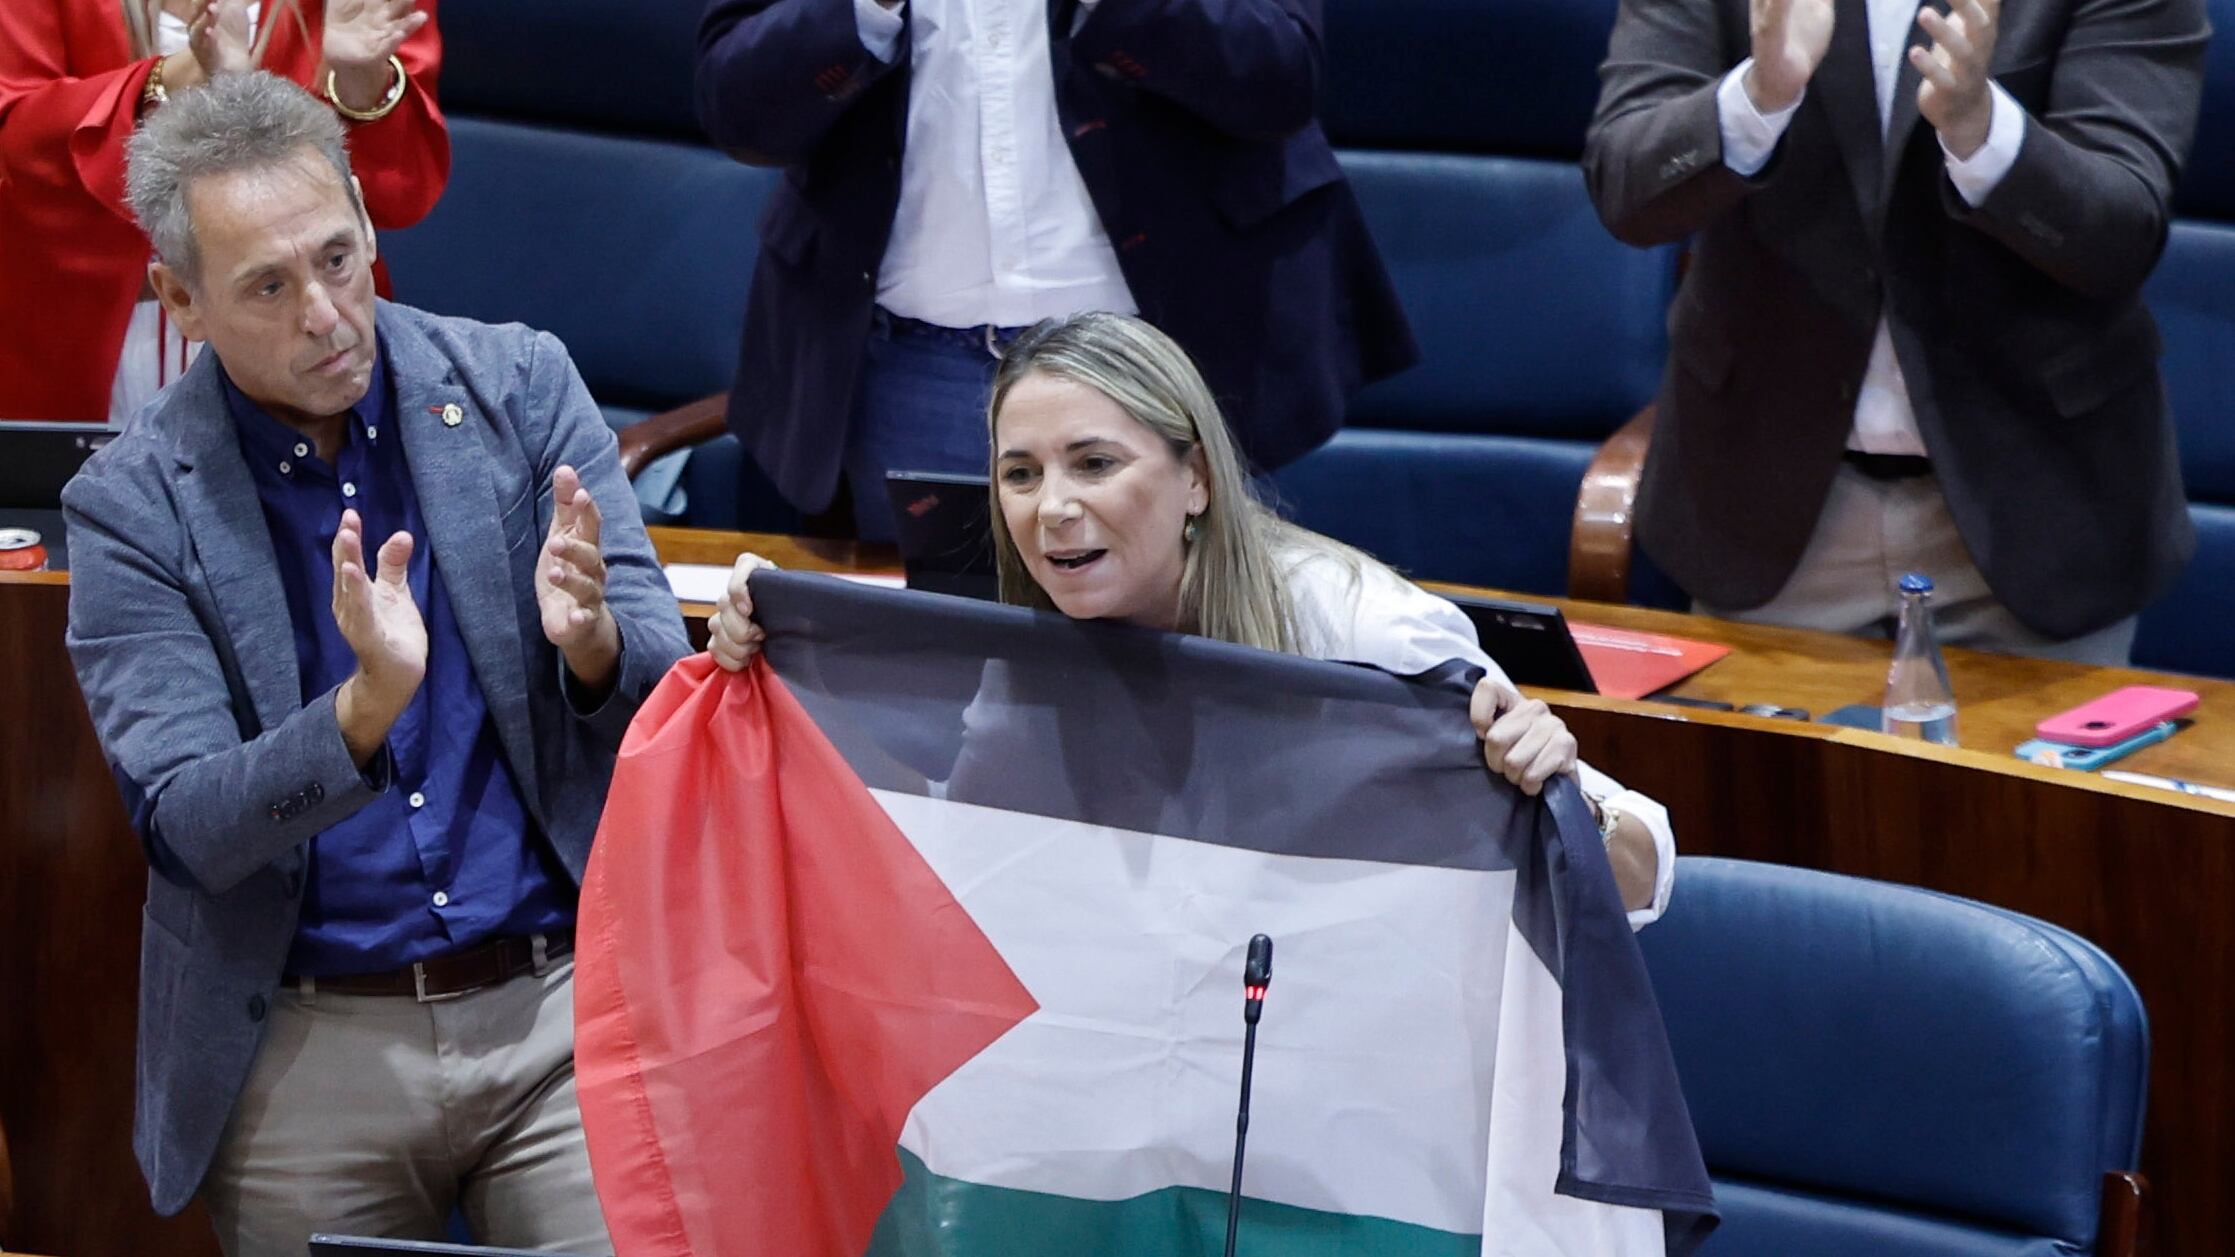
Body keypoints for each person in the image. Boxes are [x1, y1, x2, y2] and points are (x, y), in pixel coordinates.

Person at [62, 72, 689, 1255]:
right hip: (308, 1035)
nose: (326, 314)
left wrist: (597, 648)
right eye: (268, 286)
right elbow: (187, 825)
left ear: (364, 214)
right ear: (180, 302)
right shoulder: (133, 507)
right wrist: (359, 714)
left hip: (555, 1011)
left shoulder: (518, 384)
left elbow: (665, 679)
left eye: (338, 259)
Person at [709, 312, 1674, 927]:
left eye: (1094, 463)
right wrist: (780, 650)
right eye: (1020, 472)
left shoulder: (1366, 632)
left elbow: (1637, 876)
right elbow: (958, 877)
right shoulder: (1025, 650)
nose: (1051, 508)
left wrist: (1564, 794)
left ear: (1197, 478)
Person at [1581, 0, 2207, 663]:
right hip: (1765, 500)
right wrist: (1755, 100)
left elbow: (2119, 233)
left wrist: (1982, 130)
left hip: (2032, 506)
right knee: (1761, 771)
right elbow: (1626, 188)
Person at [694, 0, 1417, 541]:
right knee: (938, 689)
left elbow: (1278, 76)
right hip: (913, 367)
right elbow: (737, 109)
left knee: (1188, 684)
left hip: (1167, 356)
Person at [0, 0, 444, 424]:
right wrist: (179, 78)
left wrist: (359, 82)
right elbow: (17, 146)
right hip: (77, 342)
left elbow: (401, 196)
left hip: (300, 327)